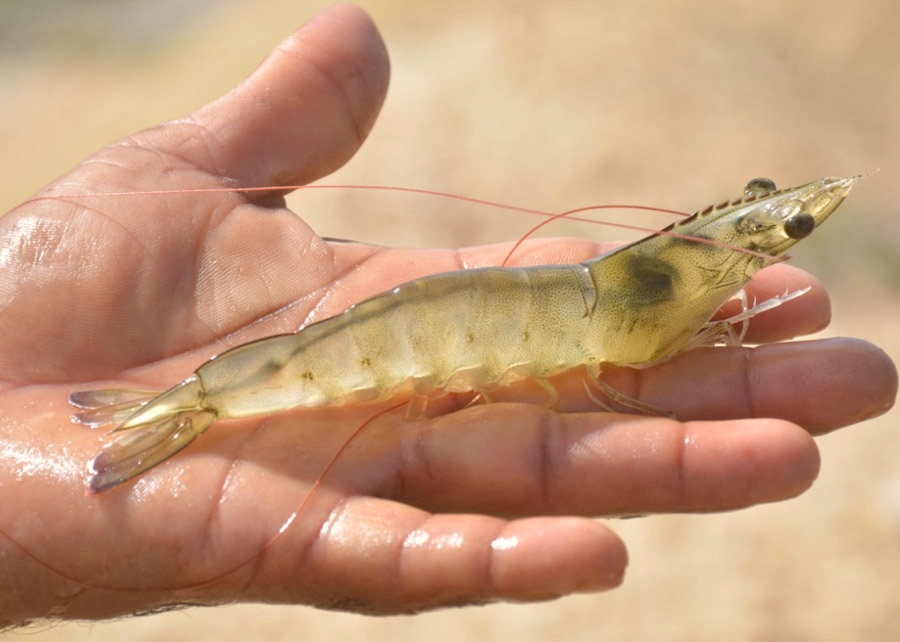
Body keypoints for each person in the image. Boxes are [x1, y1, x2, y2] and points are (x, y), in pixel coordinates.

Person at [0, 2, 895, 628]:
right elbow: (635, 339)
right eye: (775, 223)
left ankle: (188, 402)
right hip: (393, 345)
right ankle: (188, 405)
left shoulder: (653, 278)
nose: (775, 242)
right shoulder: (634, 303)